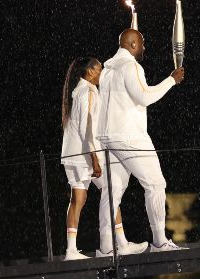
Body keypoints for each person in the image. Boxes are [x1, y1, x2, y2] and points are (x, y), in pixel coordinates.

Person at [96, 29, 186, 253]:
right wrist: (171, 81)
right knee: (156, 184)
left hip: (106, 137)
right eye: (142, 44)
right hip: (129, 136)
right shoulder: (131, 66)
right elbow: (144, 96)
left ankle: (107, 246)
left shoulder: (107, 70)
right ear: (134, 44)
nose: (144, 48)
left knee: (113, 190)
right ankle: (159, 241)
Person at [60, 57, 148, 260]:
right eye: (99, 69)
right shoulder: (88, 91)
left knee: (104, 191)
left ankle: (117, 243)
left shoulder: (81, 91)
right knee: (92, 195)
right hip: (83, 156)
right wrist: (94, 157)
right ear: (90, 72)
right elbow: (86, 127)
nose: (102, 72)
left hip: (77, 153)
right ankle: (80, 250)